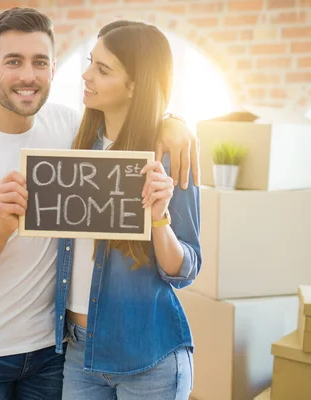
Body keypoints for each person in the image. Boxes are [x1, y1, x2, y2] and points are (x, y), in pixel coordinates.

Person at [0, 8, 199, 400]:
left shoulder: (72, 130)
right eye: (13, 61)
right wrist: (2, 225)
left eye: (39, 62)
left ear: (52, 69)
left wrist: (173, 122)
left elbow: (133, 126)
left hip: (55, 352)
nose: (27, 76)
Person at [54, 21, 202, 400]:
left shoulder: (168, 156)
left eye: (103, 70)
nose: (86, 75)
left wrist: (158, 218)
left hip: (148, 359)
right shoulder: (77, 148)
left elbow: (185, 268)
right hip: (78, 354)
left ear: (136, 85)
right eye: (91, 62)